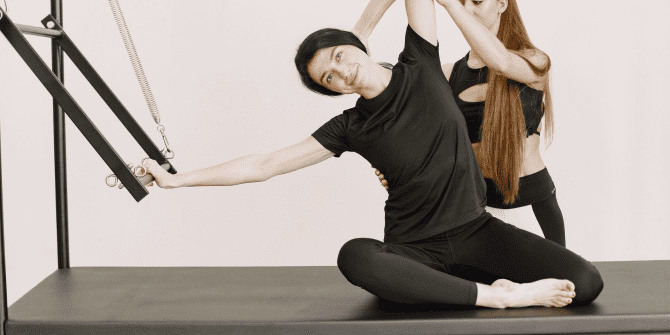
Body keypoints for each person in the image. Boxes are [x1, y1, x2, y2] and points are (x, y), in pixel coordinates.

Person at [143, 0, 602, 309]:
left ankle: (480, 287)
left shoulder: (422, 64)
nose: (341, 73)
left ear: (356, 47)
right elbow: (265, 164)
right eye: (328, 78)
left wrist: (360, 25)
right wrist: (178, 180)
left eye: (339, 56)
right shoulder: (350, 127)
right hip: (412, 249)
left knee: (587, 281)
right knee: (355, 256)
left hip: (475, 231)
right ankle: (498, 296)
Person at [360, 0, 565, 246]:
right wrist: (361, 31)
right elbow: (416, 123)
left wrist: (451, 5)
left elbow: (501, 62)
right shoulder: (448, 74)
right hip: (474, 203)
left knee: (566, 280)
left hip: (533, 200)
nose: (467, 9)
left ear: (501, 4)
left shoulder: (535, 61)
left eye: (476, 1)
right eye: (463, 2)